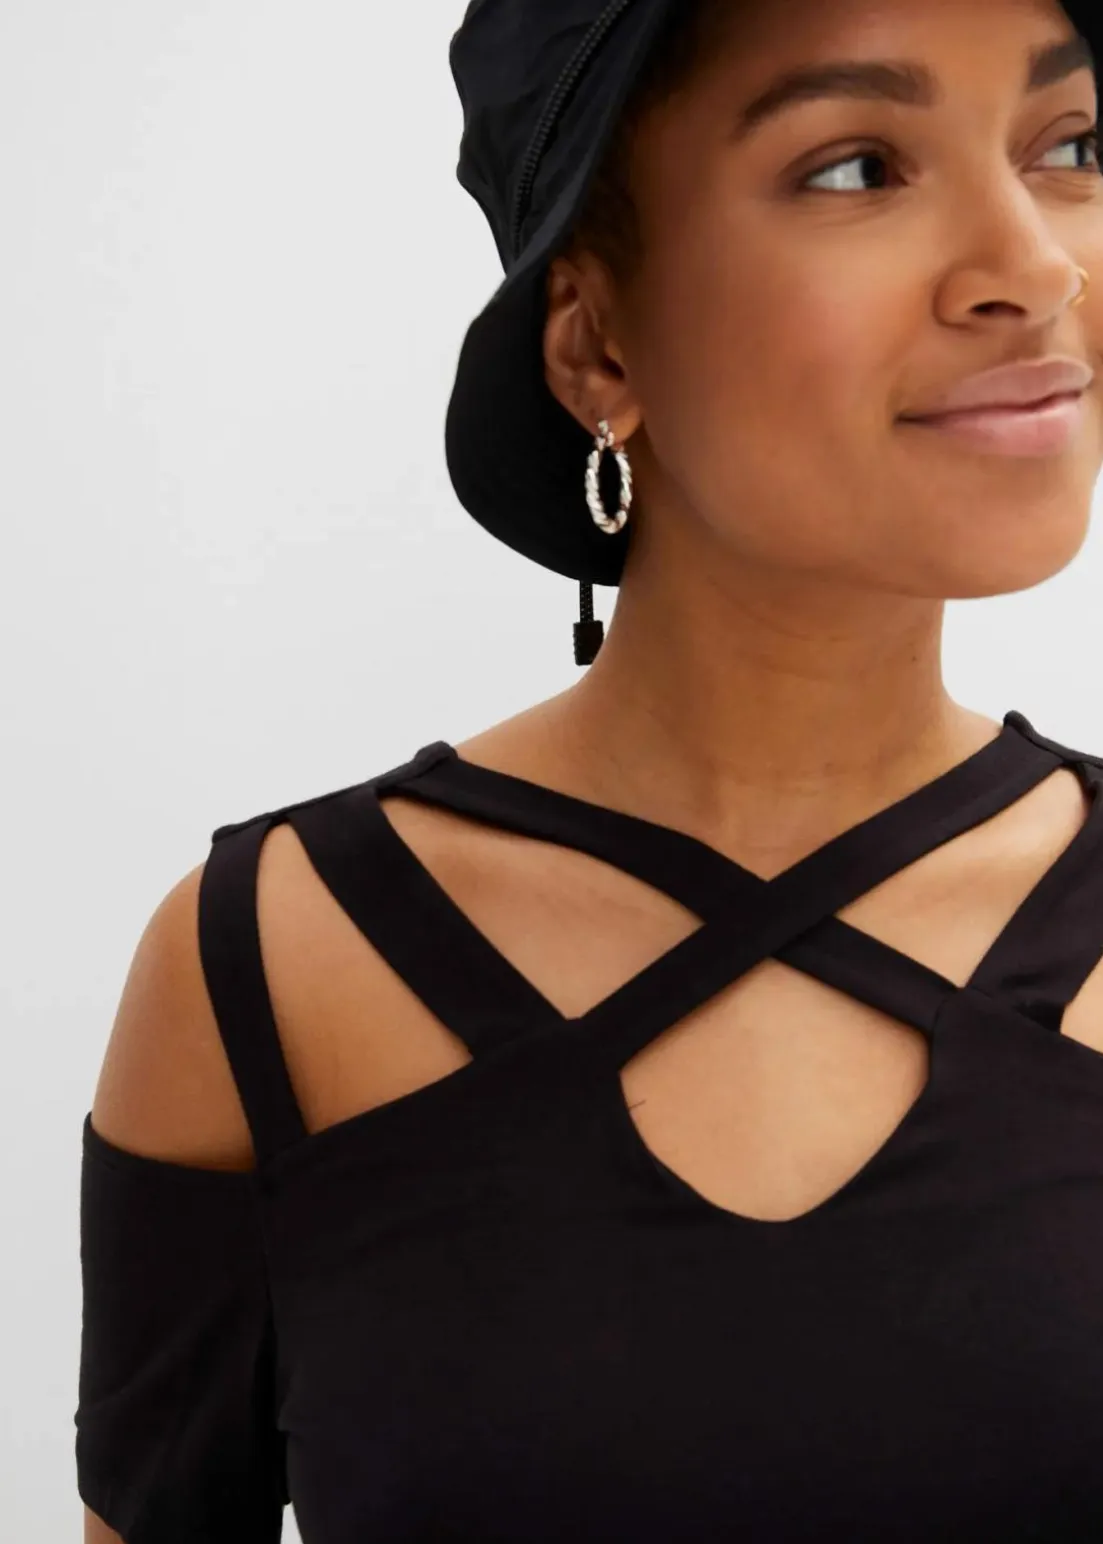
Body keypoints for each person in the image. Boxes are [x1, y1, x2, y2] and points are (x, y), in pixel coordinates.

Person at [76, 0, 1103, 1540]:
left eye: (1068, 144)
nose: (1032, 265)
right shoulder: (271, 964)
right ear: (596, 343)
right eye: (854, 168)